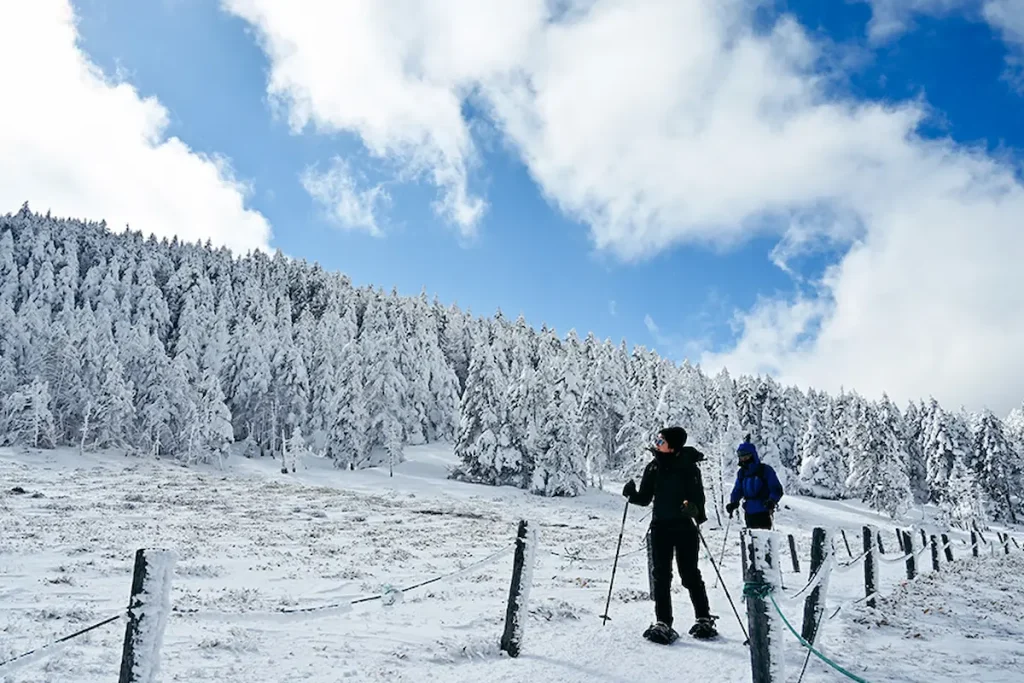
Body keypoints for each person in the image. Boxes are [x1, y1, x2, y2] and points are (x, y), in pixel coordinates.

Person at [622, 426, 717, 643]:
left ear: (673, 445)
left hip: (685, 528)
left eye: (661, 441)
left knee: (689, 574)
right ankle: (663, 622)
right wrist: (630, 494)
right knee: (661, 575)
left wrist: (694, 510)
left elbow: (698, 501)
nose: (657, 443)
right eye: (657, 440)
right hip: (660, 528)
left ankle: (704, 618)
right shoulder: (653, 467)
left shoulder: (689, 468)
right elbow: (645, 498)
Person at [725, 437, 784, 530]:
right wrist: (733, 502)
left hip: (764, 510)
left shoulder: (765, 470)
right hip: (749, 511)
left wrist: (772, 500)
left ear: (752, 455)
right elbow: (738, 489)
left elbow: (776, 488)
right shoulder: (742, 473)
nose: (743, 459)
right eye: (741, 457)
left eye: (746, 456)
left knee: (763, 540)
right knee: (751, 540)